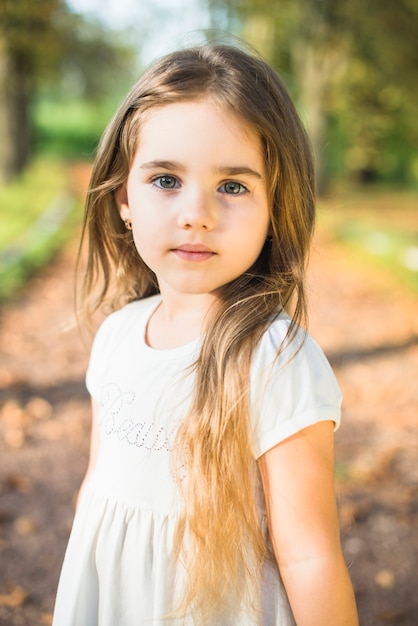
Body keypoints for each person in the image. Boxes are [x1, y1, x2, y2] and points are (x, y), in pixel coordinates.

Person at [52, 42, 358, 625]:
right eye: (166, 179)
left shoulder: (275, 359)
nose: (197, 213)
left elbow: (311, 554)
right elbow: (98, 489)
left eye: (234, 187)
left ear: (276, 206)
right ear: (124, 199)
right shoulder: (116, 338)